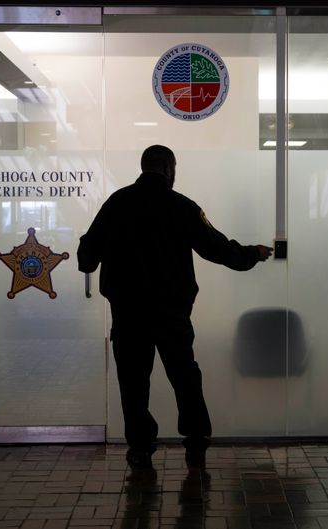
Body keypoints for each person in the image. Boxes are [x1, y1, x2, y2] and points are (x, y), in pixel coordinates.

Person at [77, 145, 273, 469]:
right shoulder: (181, 206)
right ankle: (196, 442)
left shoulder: (117, 203)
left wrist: (92, 262)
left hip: (128, 313)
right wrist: (252, 253)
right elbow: (217, 248)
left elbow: (87, 254)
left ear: (144, 168)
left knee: (134, 381)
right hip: (171, 312)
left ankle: (140, 447)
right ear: (169, 169)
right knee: (184, 376)